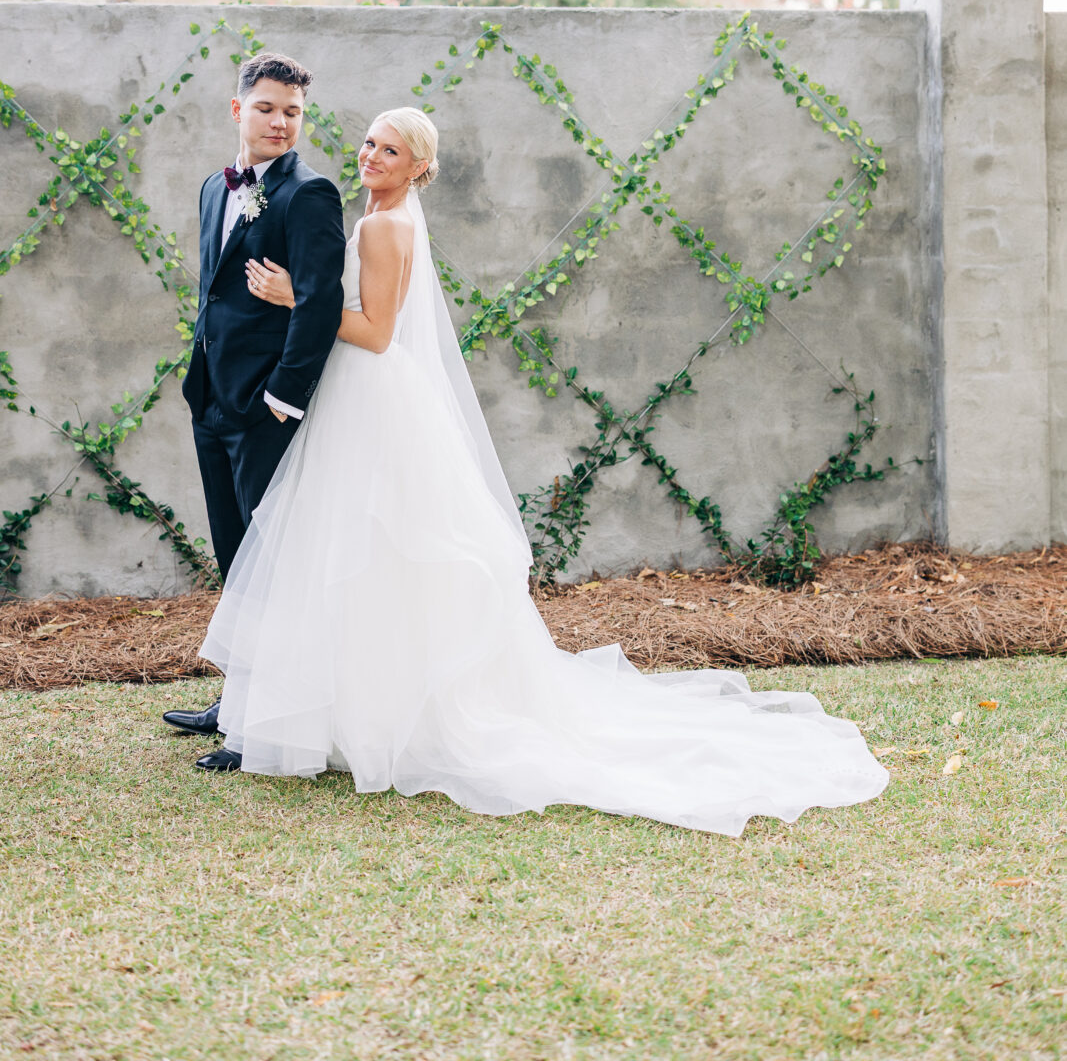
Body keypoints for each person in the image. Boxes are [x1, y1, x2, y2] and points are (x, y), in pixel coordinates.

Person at [199, 107, 889, 834]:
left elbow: (372, 332)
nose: (371, 156)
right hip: (380, 397)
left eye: (391, 150)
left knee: (359, 549)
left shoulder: (380, 226)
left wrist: (296, 297)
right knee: (371, 554)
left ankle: (353, 715)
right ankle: (351, 709)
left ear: (416, 167)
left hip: (368, 391)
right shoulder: (390, 220)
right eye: (370, 142)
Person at [162, 53, 346, 752]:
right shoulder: (215, 187)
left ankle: (265, 723)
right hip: (209, 398)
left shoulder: (310, 194)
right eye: (267, 108)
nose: (280, 122)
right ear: (238, 109)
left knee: (274, 562)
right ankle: (236, 701)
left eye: (292, 112)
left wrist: (283, 396)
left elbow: (320, 303)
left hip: (264, 409)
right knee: (236, 558)